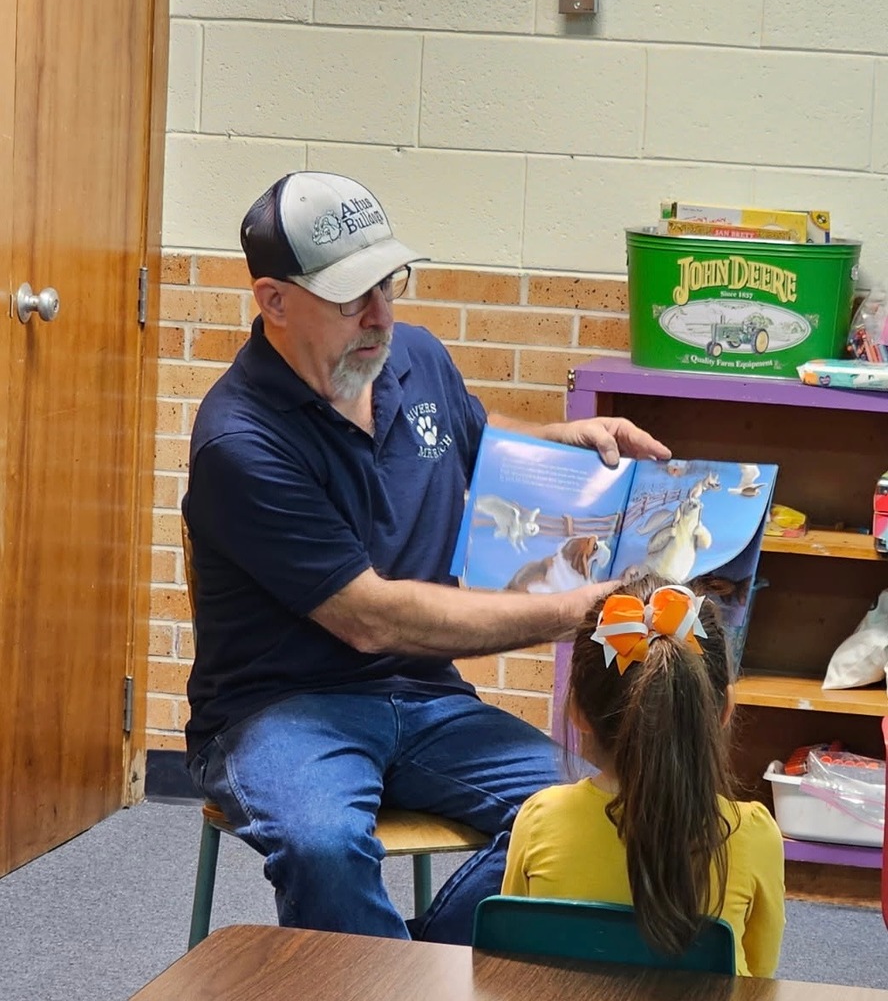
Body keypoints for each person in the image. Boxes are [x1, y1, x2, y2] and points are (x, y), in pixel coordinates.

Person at [182, 169, 671, 944]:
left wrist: (568, 438)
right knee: (325, 849)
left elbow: (471, 437)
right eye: (351, 297)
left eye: (390, 282)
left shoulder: (414, 358)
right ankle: (383, 971)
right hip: (279, 709)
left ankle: (404, 966)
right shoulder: (240, 441)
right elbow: (372, 618)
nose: (381, 315)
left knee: (601, 812)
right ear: (274, 301)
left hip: (425, 699)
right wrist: (578, 612)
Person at [501, 575, 786, 975]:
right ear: (724, 711)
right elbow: (759, 979)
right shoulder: (753, 835)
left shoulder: (540, 819)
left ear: (578, 712)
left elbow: (517, 960)